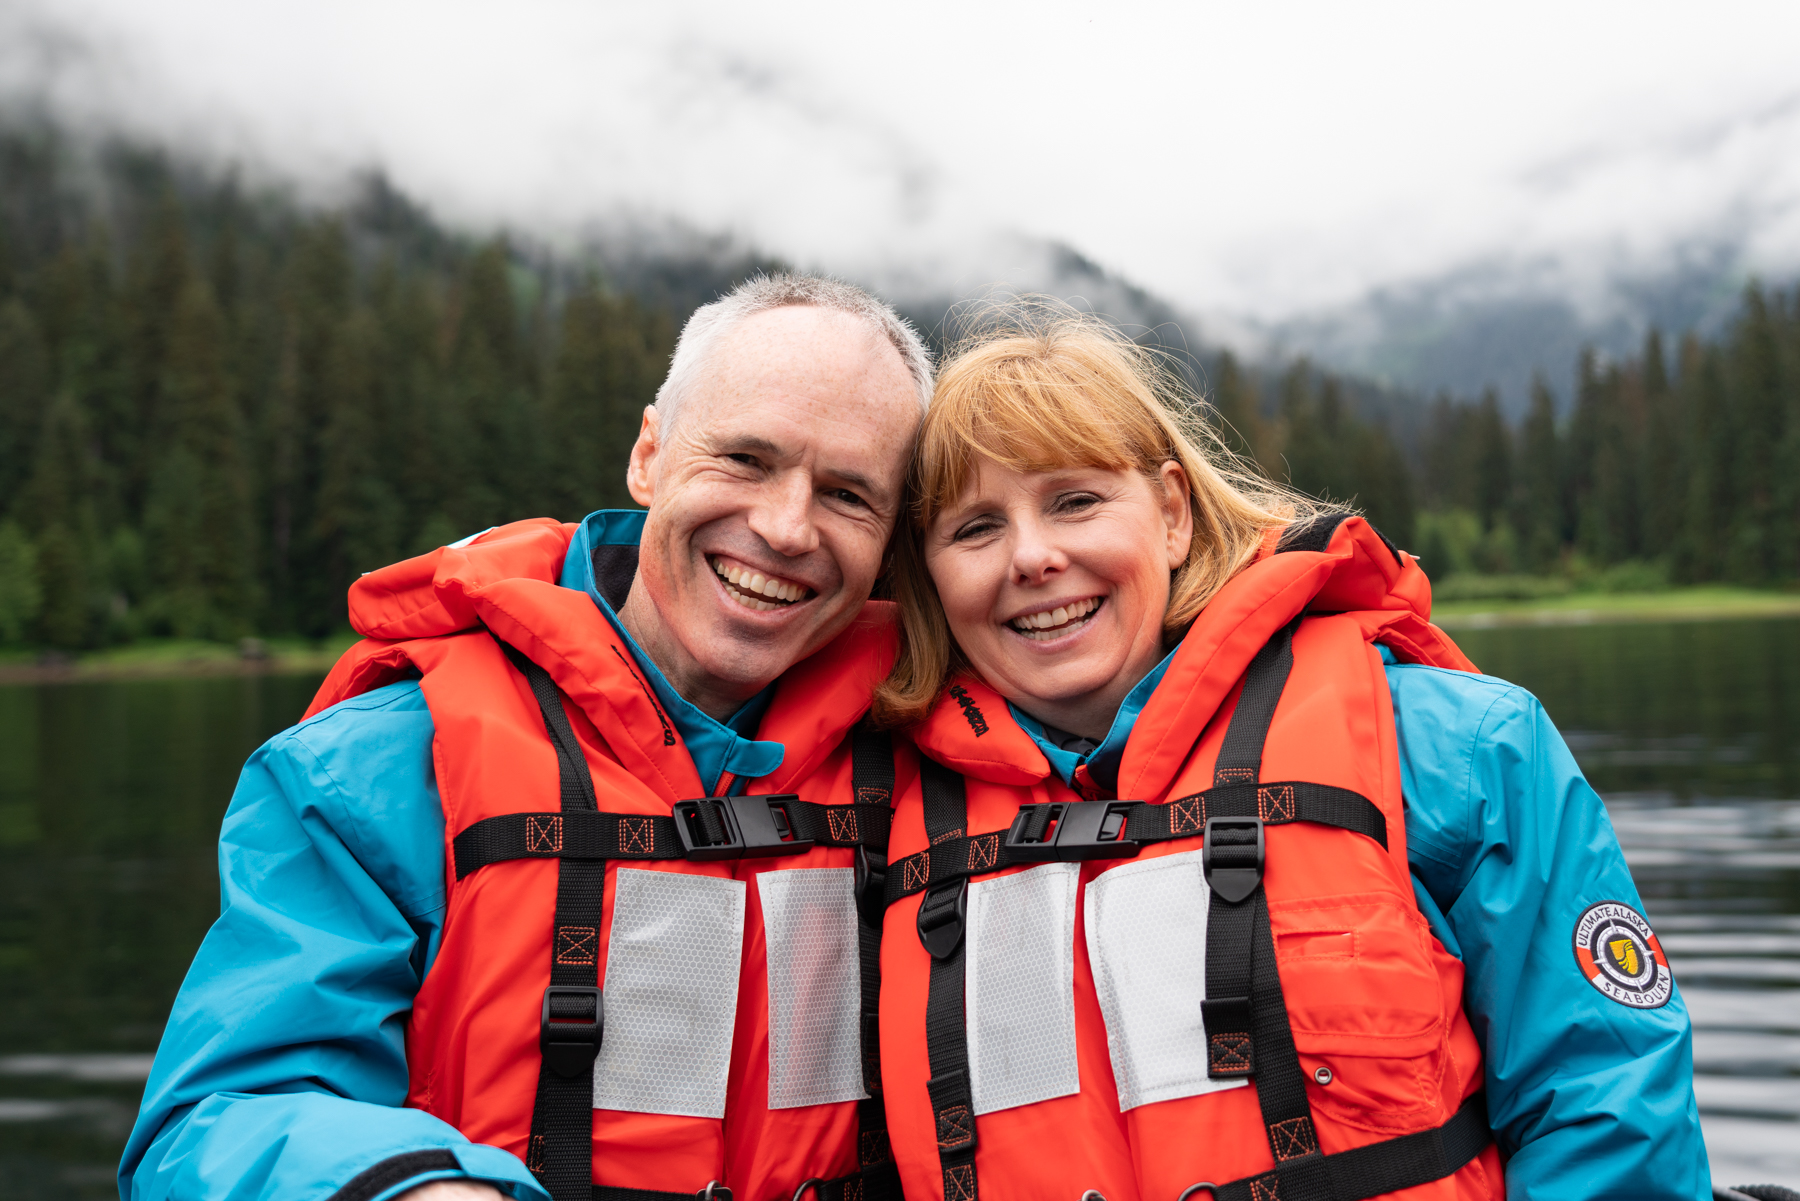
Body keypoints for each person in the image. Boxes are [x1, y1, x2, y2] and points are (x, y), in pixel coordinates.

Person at [120, 274, 932, 1201]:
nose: (787, 527)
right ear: (649, 456)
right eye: (746, 459)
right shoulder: (379, 763)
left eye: (847, 494)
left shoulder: (932, 759)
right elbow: (216, 1121)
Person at [868, 307, 1708, 1201]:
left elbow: (1604, 1101)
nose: (1033, 556)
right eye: (975, 528)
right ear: (928, 572)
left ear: (1172, 513)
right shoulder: (872, 809)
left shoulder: (1451, 746)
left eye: (1075, 501)